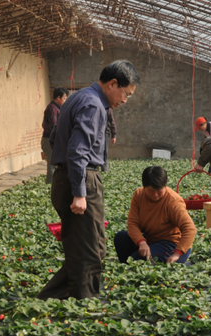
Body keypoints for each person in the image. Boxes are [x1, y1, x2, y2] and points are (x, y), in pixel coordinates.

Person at [37, 60, 141, 300]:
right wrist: (80, 192)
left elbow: (54, 138)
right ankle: (85, 301)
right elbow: (78, 151)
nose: (125, 100)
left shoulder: (77, 97)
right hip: (81, 178)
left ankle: (53, 296)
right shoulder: (94, 105)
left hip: (68, 177)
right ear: (113, 84)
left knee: (92, 246)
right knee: (88, 250)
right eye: (126, 94)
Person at [114, 166, 196, 264]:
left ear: (165, 185)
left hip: (172, 245)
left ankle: (131, 264)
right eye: (150, 191)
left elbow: (190, 228)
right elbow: (132, 223)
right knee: (120, 238)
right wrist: (141, 242)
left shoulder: (173, 202)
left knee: (138, 258)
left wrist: (177, 254)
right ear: (144, 187)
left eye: (159, 191)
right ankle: (125, 269)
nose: (155, 195)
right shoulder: (139, 195)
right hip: (150, 241)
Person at [41, 87, 68, 184]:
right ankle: (49, 188)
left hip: (53, 139)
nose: (65, 101)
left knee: (55, 166)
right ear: (58, 97)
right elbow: (54, 126)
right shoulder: (52, 108)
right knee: (51, 167)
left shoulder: (57, 108)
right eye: (64, 98)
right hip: (49, 140)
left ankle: (53, 186)